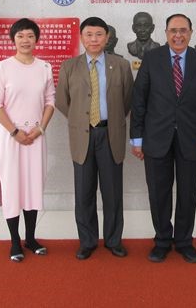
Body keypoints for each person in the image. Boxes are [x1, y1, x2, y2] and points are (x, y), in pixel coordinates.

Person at [130, 14, 196, 264]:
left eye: (183, 30)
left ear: (191, 33)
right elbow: (139, 99)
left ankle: (184, 241)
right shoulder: (152, 58)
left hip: (192, 137)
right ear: (166, 33)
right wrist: (137, 138)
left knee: (188, 193)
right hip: (156, 137)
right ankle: (161, 241)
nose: (178, 35)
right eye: (173, 31)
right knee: (158, 193)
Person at [55, 17, 134, 260]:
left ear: (107, 37)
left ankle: (113, 240)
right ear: (81, 38)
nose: (94, 39)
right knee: (84, 192)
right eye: (89, 35)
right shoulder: (69, 66)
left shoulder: (121, 65)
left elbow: (128, 100)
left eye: (99, 34)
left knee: (112, 193)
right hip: (82, 136)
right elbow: (62, 101)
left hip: (111, 134)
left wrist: (111, 119)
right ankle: (87, 241)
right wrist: (81, 119)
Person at [0, 18, 55, 262]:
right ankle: (15, 241)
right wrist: (14, 132)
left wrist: (40, 129)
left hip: (36, 138)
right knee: (12, 186)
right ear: (13, 39)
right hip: (11, 139)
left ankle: (31, 238)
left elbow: (50, 102)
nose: (25, 40)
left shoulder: (44, 67)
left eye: (30, 36)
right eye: (20, 36)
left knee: (33, 185)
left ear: (36, 39)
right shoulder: (3, 67)